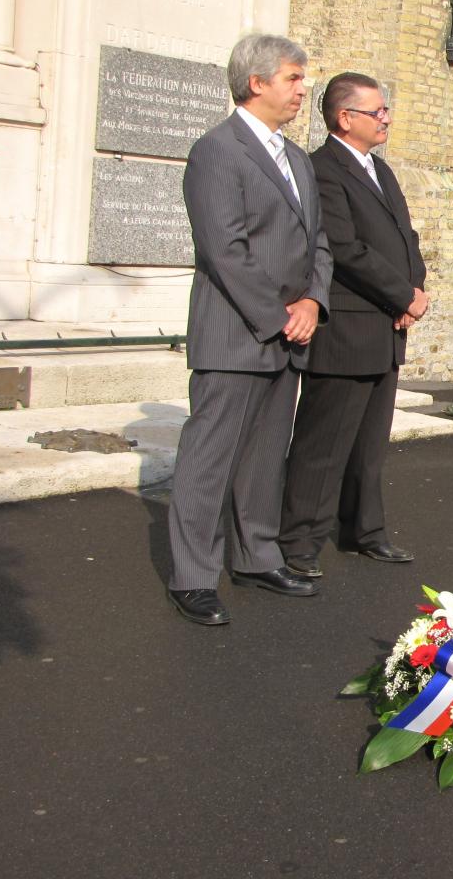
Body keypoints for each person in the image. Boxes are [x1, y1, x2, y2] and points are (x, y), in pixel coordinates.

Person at [166, 34, 333, 625]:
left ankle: (256, 556)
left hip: (289, 334)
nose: (302, 87)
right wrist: (280, 315)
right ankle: (192, 575)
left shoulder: (297, 158)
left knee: (265, 458)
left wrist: (313, 300)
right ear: (256, 82)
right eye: (293, 77)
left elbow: (318, 241)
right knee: (209, 459)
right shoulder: (217, 150)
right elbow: (224, 251)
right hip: (239, 334)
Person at [278, 73, 428, 579]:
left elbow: (404, 237)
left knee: (369, 444)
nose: (385, 118)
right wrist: (402, 294)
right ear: (346, 118)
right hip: (346, 330)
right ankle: (299, 540)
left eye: (385, 110)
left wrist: (415, 290)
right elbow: (343, 249)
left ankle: (364, 529)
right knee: (324, 444)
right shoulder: (323, 169)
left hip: (386, 327)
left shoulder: (380, 172)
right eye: (377, 111)